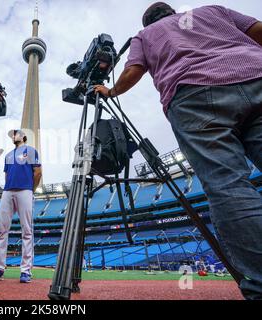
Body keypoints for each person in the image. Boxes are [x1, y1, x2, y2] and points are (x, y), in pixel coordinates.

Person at [94, 3, 262, 299]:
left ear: (148, 21)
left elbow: (133, 70)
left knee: (228, 185)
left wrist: (111, 91)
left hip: (194, 93)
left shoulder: (145, 34)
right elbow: (257, 30)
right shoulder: (213, 11)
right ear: (172, 11)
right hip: (255, 72)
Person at [0, 130, 42, 283]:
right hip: (8, 191)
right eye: (12, 134)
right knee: (2, 230)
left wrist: (31, 190)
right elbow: (7, 175)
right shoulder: (8, 155)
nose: (13, 136)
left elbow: (38, 172)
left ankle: (26, 271)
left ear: (23, 136)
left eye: (16, 133)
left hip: (25, 191)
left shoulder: (30, 150)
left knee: (27, 230)